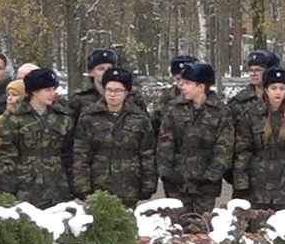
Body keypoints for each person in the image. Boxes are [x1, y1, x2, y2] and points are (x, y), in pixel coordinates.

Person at [157, 59, 233, 225]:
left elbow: (224, 148)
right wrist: (167, 173)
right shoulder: (173, 109)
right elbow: (165, 143)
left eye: (188, 83)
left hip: (205, 185)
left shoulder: (220, 112)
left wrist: (210, 176)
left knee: (202, 228)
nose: (182, 86)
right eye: (182, 82)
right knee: (176, 228)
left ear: (201, 86)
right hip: (177, 181)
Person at [232, 66, 285, 213]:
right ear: (266, 89)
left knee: (282, 228)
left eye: (282, 88)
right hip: (258, 182)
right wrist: (241, 184)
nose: (278, 92)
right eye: (274, 88)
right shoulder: (251, 115)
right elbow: (243, 151)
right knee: (257, 228)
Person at [0, 67, 77, 208]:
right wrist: (8, 189)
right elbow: (5, 156)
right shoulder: (14, 118)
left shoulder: (63, 117)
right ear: (35, 92)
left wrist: (72, 184)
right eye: (48, 90)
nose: (53, 94)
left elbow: (69, 153)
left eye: (53, 89)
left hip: (57, 185)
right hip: (26, 186)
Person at [73, 67, 158, 203]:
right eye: (109, 90)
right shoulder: (89, 117)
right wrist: (82, 186)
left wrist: (148, 184)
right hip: (98, 183)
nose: (113, 95)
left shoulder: (140, 118)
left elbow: (147, 154)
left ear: (126, 93)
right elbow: (81, 155)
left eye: (118, 91)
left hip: (130, 184)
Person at [65, 48, 122, 122]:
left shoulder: (130, 96)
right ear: (91, 72)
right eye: (101, 69)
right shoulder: (79, 99)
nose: (106, 72)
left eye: (110, 69)